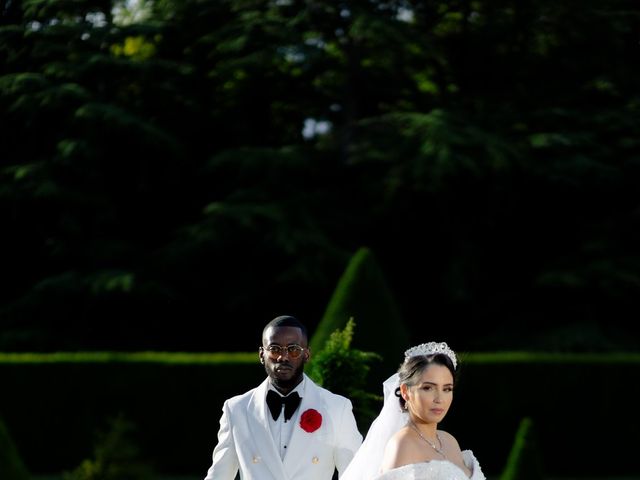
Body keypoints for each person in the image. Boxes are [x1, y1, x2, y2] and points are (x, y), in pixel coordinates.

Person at [203, 315, 363, 480]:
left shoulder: (337, 407)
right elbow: (219, 475)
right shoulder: (237, 409)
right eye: (274, 349)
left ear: (306, 354)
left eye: (293, 349)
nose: (283, 357)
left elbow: (356, 473)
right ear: (261, 354)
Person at [341, 341, 486, 480]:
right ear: (405, 391)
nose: (439, 399)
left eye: (447, 389)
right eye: (428, 388)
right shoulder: (402, 444)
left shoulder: (449, 440)